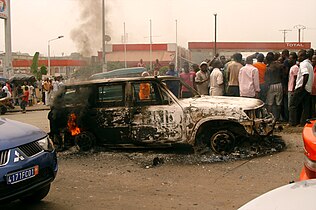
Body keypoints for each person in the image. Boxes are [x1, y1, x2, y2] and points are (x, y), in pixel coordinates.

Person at [289, 50, 314, 126]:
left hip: (301, 87)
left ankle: (292, 123)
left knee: (292, 105)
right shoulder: (310, 64)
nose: (298, 58)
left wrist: (302, 87)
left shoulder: (303, 64)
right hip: (308, 88)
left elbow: (305, 75)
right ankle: (303, 123)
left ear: (303, 56)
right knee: (305, 107)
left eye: (299, 56)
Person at [264, 52, 284, 121]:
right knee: (279, 103)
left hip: (271, 85)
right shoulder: (279, 65)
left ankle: (270, 117)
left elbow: (267, 79)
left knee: (269, 103)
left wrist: (266, 88)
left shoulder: (268, 68)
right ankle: (277, 118)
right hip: (279, 84)